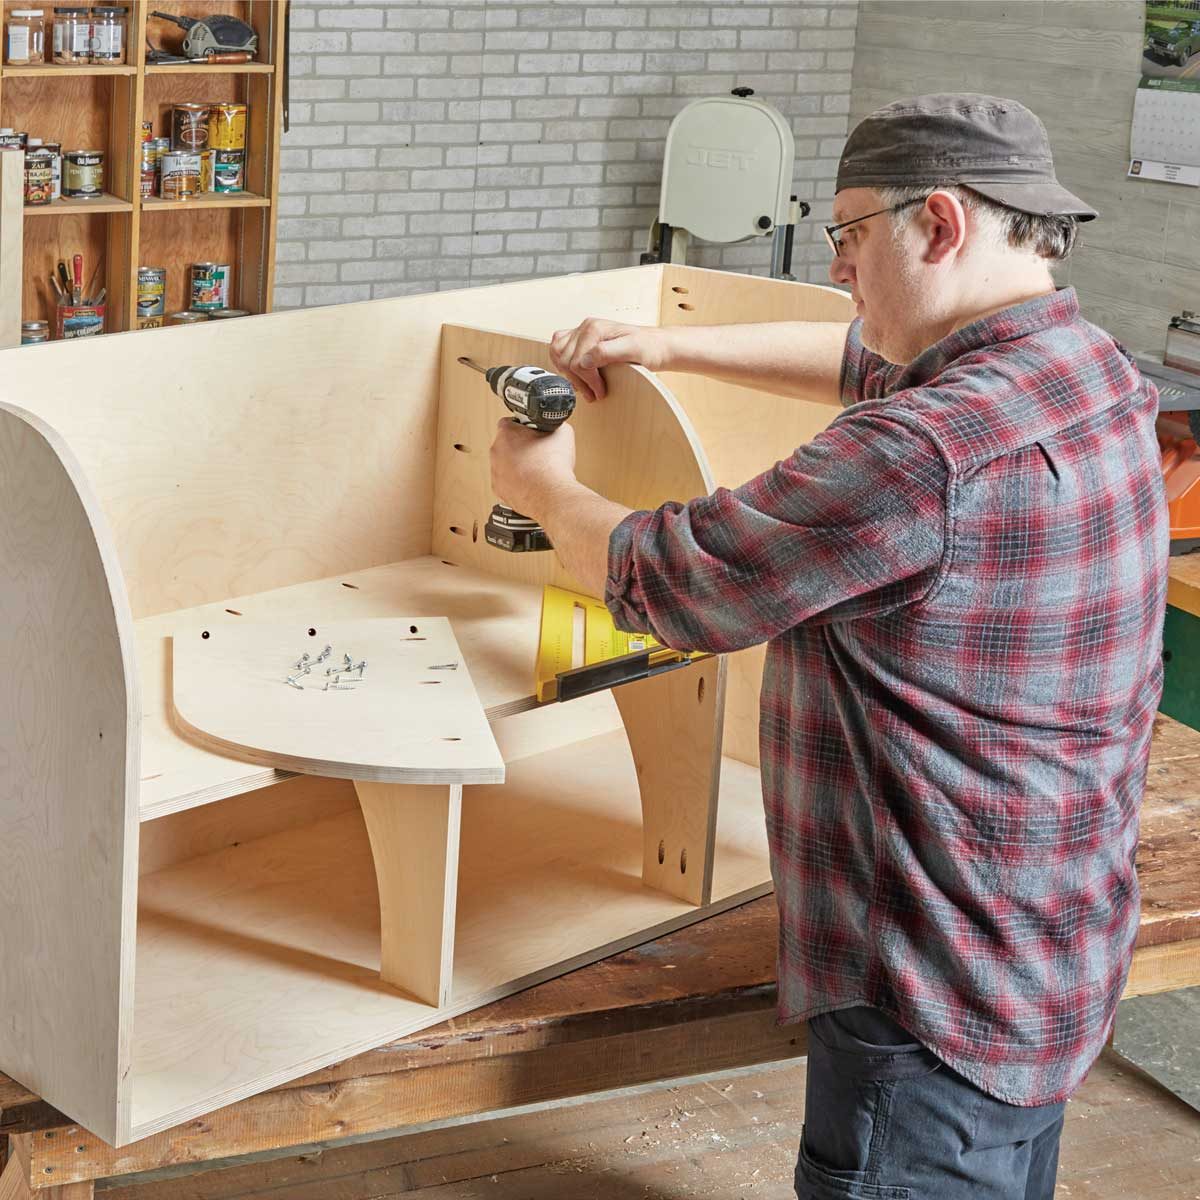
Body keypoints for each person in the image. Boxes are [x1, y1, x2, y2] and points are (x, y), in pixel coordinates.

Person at [489, 93, 1169, 1200]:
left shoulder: (920, 454)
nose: (839, 267)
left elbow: (670, 578)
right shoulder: (1082, 368)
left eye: (848, 234)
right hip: (1047, 940)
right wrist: (667, 344)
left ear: (938, 225)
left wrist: (540, 487)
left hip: (927, 990)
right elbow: (858, 359)